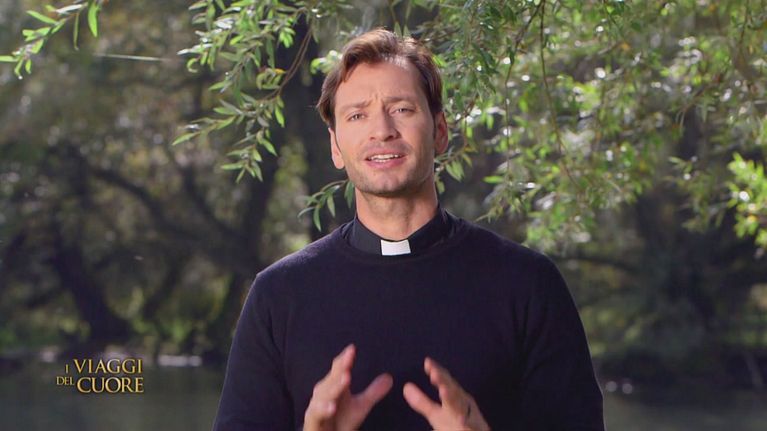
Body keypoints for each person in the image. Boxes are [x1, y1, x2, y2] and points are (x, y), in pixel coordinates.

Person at [212, 28, 604, 431]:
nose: (381, 130)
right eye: (357, 115)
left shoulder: (528, 285)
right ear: (335, 146)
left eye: (401, 109)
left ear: (439, 131)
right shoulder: (278, 296)